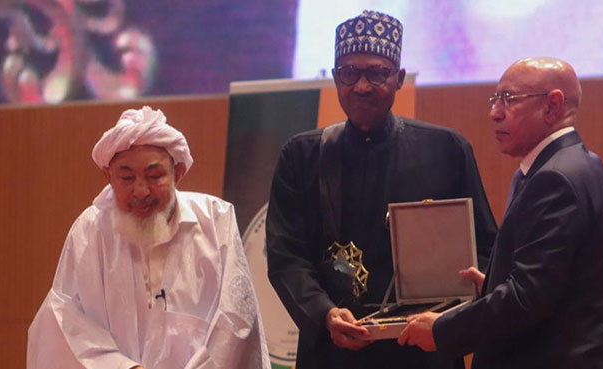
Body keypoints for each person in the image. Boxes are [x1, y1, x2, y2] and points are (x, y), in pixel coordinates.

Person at [266, 10, 497, 369]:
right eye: (349, 73)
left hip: (424, 352)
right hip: (335, 350)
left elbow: (484, 251)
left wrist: (449, 319)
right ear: (334, 77)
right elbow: (286, 257)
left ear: (399, 78)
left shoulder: (447, 150)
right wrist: (324, 314)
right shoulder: (301, 156)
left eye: (376, 73)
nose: (361, 86)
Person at [398, 57, 603, 369]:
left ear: (552, 106)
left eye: (509, 99)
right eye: (495, 99)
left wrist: (441, 330)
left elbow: (527, 299)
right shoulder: (589, 167)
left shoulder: (555, 179)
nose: (494, 113)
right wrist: (495, 285)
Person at [27, 106, 270, 369]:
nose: (141, 191)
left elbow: (237, 319)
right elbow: (66, 321)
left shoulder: (216, 220)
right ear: (108, 176)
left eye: (155, 176)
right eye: (127, 177)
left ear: (178, 173)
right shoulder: (90, 230)